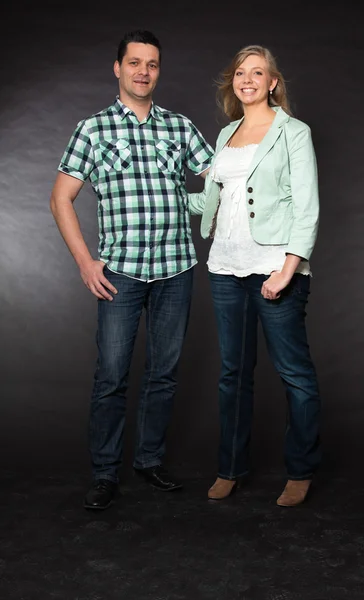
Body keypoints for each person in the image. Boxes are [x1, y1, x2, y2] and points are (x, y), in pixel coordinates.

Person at [50, 30, 213, 510]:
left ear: (159, 71)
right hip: (119, 273)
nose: (144, 71)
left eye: (153, 64)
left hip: (176, 269)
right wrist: (85, 260)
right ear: (117, 68)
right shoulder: (93, 129)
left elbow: (222, 174)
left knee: (164, 374)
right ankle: (104, 473)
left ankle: (149, 461)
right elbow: (61, 198)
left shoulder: (179, 127)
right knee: (113, 377)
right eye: (135, 62)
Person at [189, 45, 321, 506]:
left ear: (272, 83)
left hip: (274, 270)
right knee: (233, 374)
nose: (247, 79)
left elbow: (307, 207)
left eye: (257, 72)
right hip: (225, 266)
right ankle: (230, 467)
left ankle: (301, 470)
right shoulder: (226, 133)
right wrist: (166, 187)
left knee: (294, 374)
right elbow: (214, 200)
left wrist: (287, 270)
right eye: (240, 72)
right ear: (235, 83)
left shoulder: (293, 133)